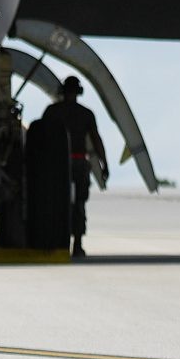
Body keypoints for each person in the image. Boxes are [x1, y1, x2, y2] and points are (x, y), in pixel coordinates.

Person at [54, 75, 107, 259]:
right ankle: (76, 244)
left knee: (62, 204)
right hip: (78, 163)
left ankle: (65, 243)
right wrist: (103, 163)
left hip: (60, 165)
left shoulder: (53, 112)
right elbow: (96, 140)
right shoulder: (86, 114)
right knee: (78, 205)